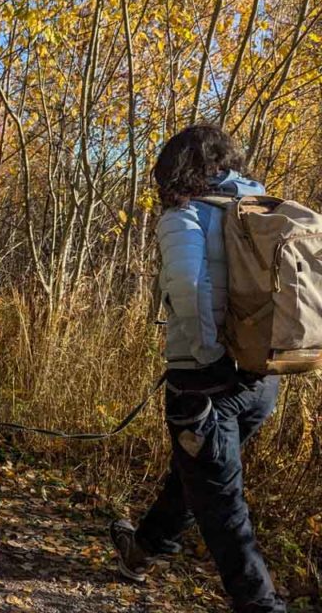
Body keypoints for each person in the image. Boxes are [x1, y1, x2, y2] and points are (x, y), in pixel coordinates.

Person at [111, 124, 285, 613]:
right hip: (261, 378)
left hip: (204, 381)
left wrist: (206, 356)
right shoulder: (257, 207)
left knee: (223, 508)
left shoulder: (184, 214)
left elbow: (187, 283)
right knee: (197, 475)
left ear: (175, 168)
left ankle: (262, 605)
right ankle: (141, 550)